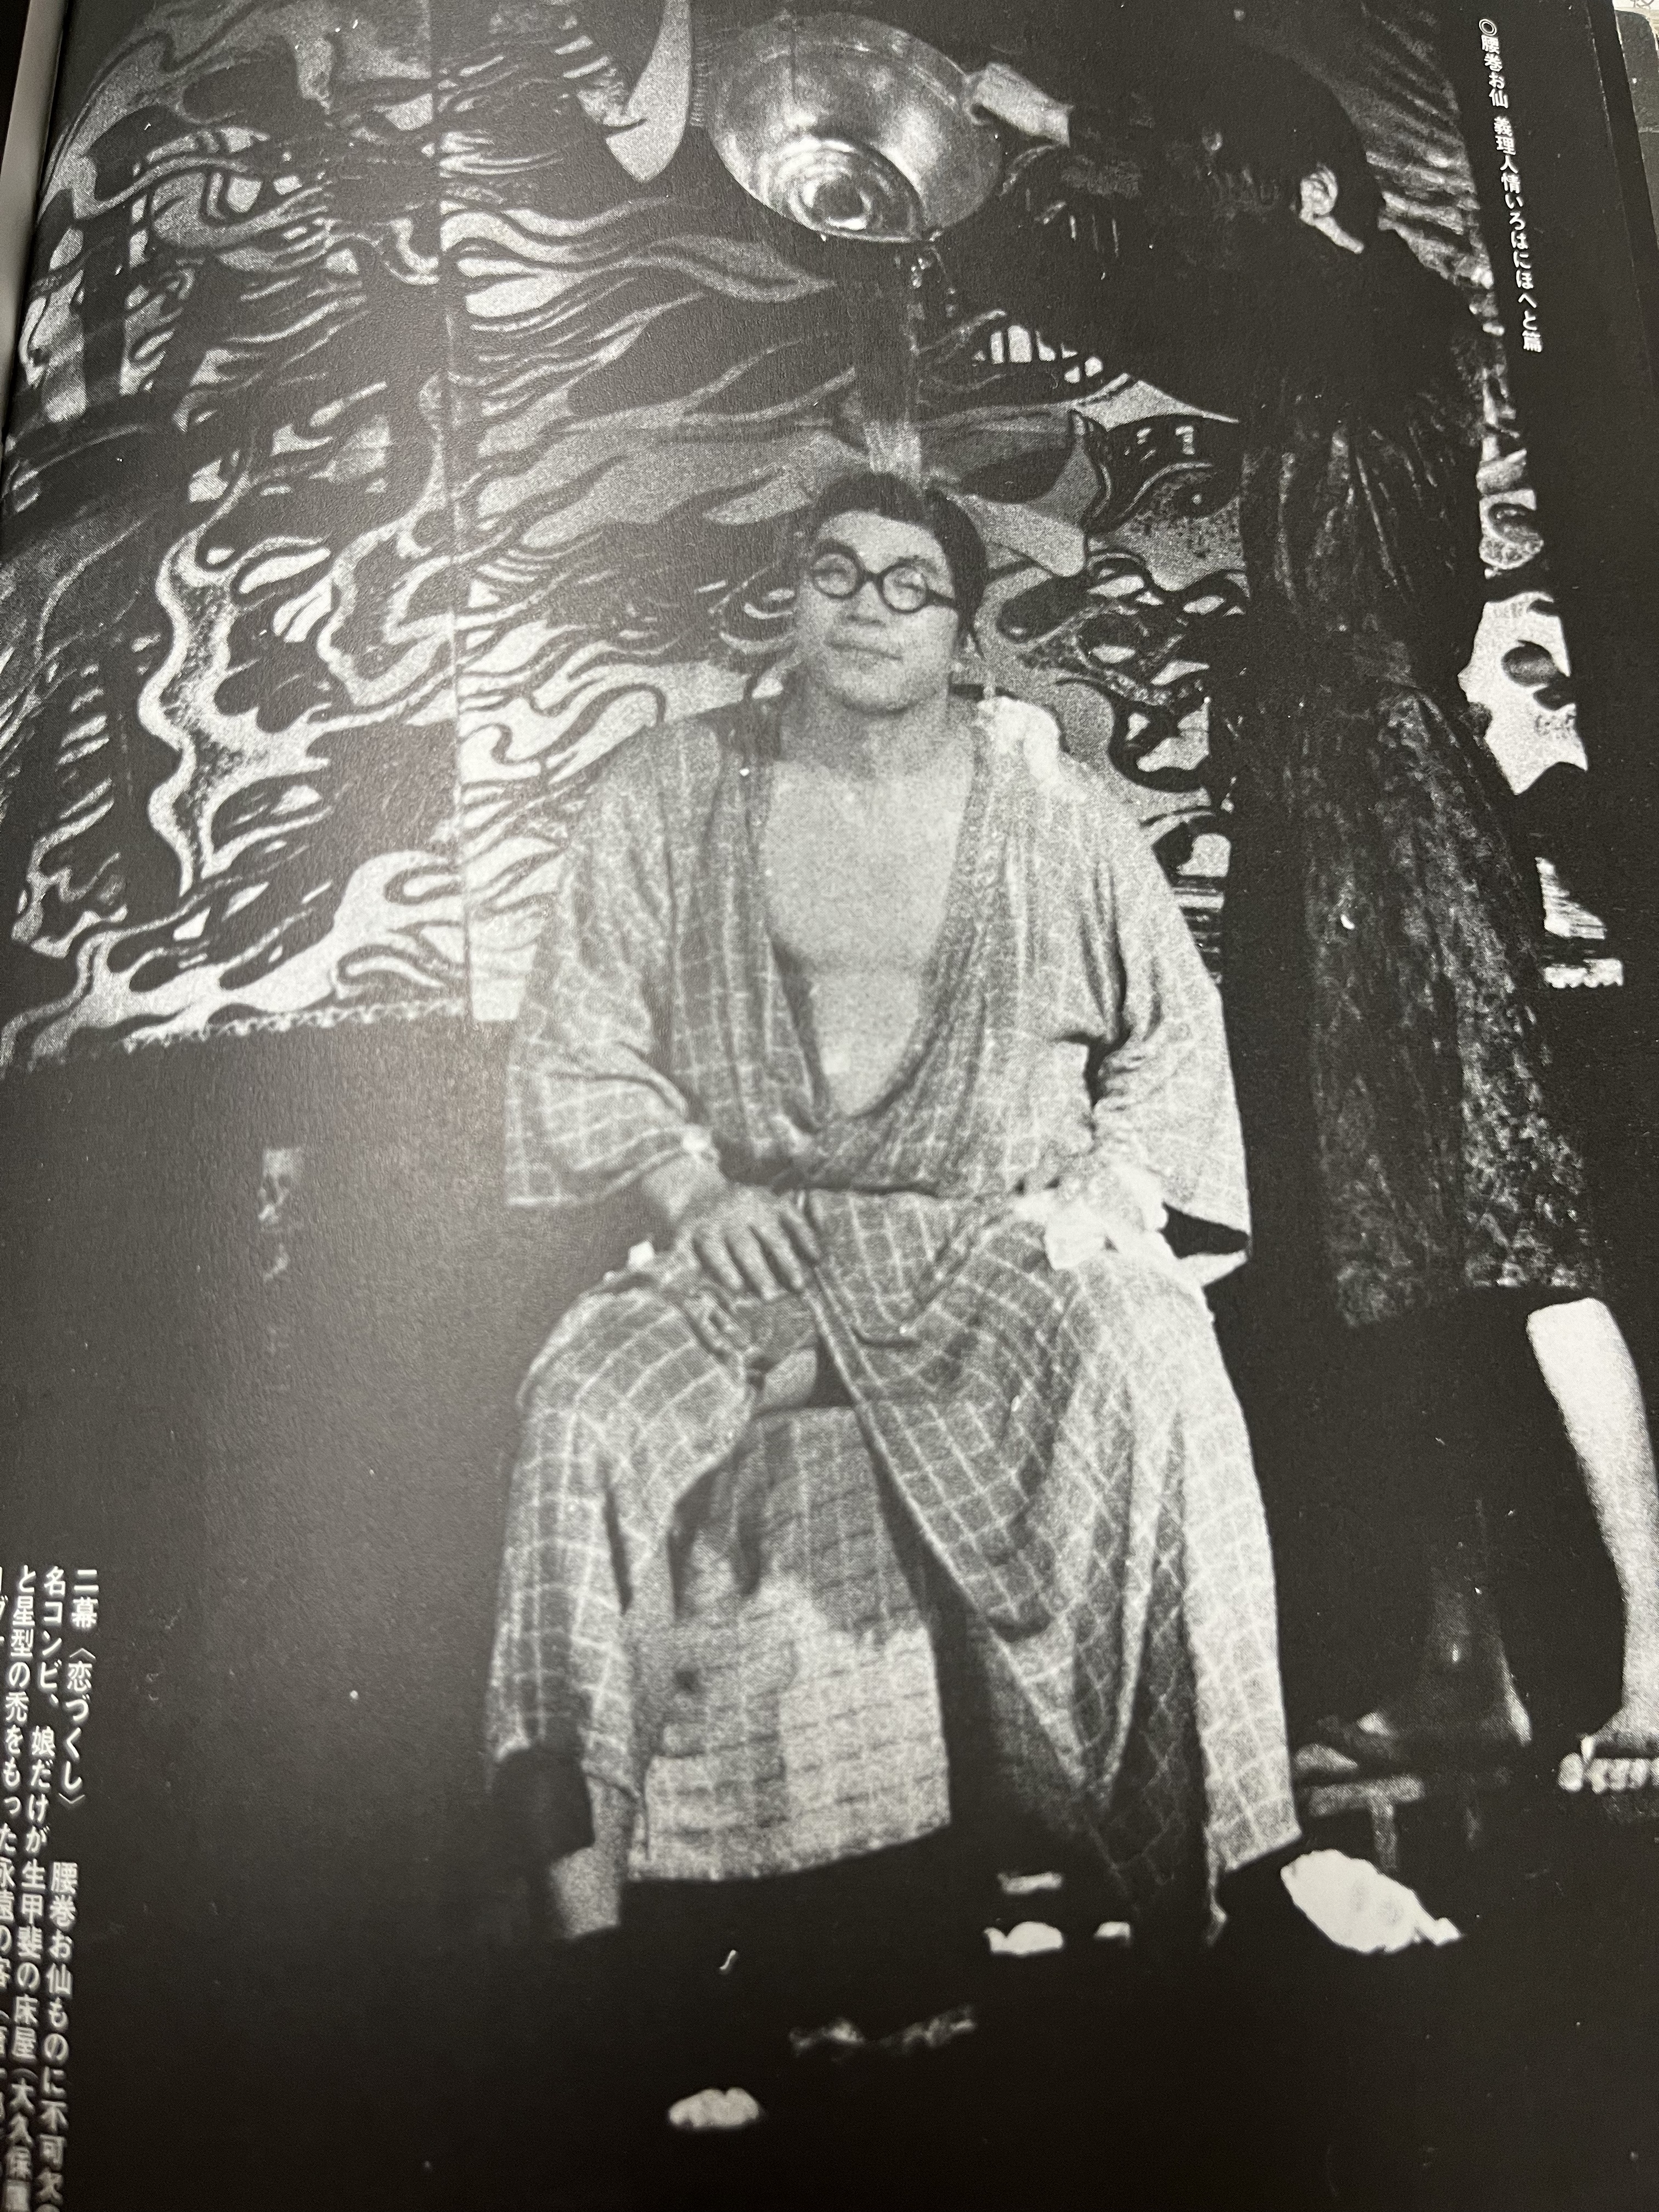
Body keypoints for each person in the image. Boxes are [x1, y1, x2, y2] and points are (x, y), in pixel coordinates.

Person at [967, 52, 1659, 1783]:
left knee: (1521, 1236)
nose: (1214, 209)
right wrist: (992, 187)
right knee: (1386, 1256)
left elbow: (1193, 249)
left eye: (1239, 178)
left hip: (1398, 806)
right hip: (1324, 807)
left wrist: (1056, 123)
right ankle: (1469, 1673)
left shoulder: (1379, 312)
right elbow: (1140, 289)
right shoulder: (1302, 336)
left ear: (1321, 199)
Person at [485, 469, 1298, 1942]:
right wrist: (688, 1183)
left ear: (965, 635)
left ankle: (1223, 1878)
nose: (869, 607)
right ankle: (579, 1947)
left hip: (989, 1246)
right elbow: (580, 1030)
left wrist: (1112, 1187)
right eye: (836, 572)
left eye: (911, 585)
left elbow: (1175, 1035)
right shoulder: (670, 787)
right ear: (790, 598)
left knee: (1158, 1351)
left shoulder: (1050, 808)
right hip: (763, 1240)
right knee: (582, 1403)